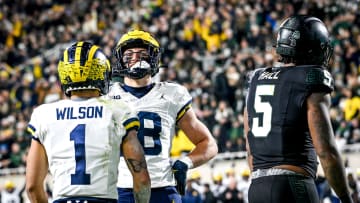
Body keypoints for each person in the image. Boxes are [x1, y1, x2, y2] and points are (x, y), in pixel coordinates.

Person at [244, 15, 353, 203]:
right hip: (292, 185)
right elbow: (326, 151)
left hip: (256, 187)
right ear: (312, 49)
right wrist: (346, 197)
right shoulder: (309, 78)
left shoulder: (257, 79)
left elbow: (250, 149)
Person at [25, 41, 151, 203]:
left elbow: (32, 187)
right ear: (101, 73)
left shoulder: (43, 114)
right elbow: (141, 179)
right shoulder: (118, 111)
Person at [108, 29, 218, 203]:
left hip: (162, 187)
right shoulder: (106, 97)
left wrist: (185, 163)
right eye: (129, 54)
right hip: (119, 189)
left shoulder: (172, 93)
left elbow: (209, 144)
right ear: (120, 59)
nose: (136, 58)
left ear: (154, 58)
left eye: (142, 54)